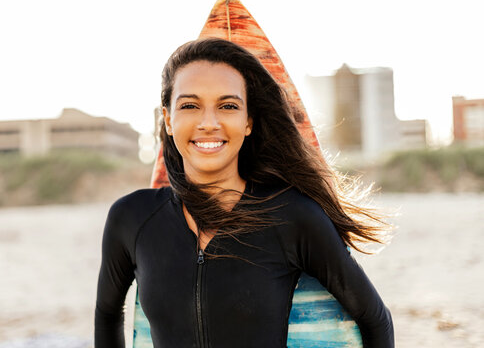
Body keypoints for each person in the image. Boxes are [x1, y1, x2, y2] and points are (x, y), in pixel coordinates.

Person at [95, 38, 394, 347]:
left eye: (228, 106)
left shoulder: (291, 217)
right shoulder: (133, 218)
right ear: (168, 120)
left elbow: (376, 320)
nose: (209, 123)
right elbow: (107, 313)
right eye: (189, 105)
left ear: (248, 121)